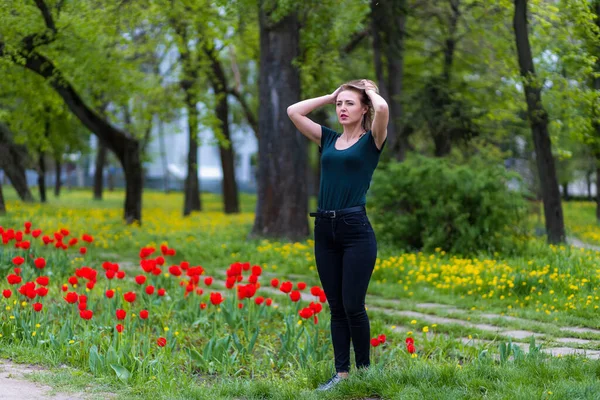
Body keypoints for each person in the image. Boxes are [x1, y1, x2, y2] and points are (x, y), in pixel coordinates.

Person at [286, 79, 389, 391]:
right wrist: (332, 94)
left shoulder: (373, 140)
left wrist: (367, 90)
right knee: (336, 306)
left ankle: (365, 374)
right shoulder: (328, 139)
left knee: (353, 305)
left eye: (349, 104)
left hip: (356, 230)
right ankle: (342, 375)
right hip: (324, 230)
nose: (342, 109)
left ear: (364, 109)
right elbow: (293, 111)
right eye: (340, 104)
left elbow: (383, 107)